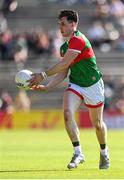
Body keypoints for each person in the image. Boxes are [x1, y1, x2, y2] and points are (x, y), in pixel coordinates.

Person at [28, 10, 110, 170]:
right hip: (76, 85)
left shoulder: (79, 40)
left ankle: (104, 152)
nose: (60, 27)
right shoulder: (64, 47)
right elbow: (64, 72)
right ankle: (78, 153)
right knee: (67, 114)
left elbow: (65, 64)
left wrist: (42, 75)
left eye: (63, 24)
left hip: (93, 85)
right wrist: (48, 87)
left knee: (98, 124)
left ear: (73, 24)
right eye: (59, 24)